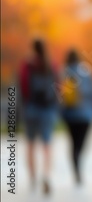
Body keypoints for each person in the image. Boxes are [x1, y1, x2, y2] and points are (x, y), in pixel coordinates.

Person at [19, 39, 59, 195]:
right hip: (47, 110)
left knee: (30, 144)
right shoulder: (52, 65)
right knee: (47, 145)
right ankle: (46, 175)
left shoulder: (27, 65)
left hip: (31, 109)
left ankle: (33, 176)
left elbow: (22, 86)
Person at [59, 49, 92, 185]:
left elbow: (60, 94)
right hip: (86, 115)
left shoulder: (65, 72)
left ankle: (76, 167)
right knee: (81, 143)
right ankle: (78, 161)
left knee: (73, 142)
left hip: (70, 114)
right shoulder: (86, 72)